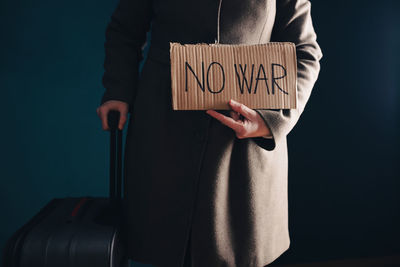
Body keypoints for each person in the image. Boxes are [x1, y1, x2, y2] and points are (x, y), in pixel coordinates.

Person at [96, 0, 322, 266]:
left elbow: (305, 51)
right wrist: (118, 89)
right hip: (164, 129)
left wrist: (272, 120)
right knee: (164, 243)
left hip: (243, 142)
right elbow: (125, 30)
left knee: (235, 251)